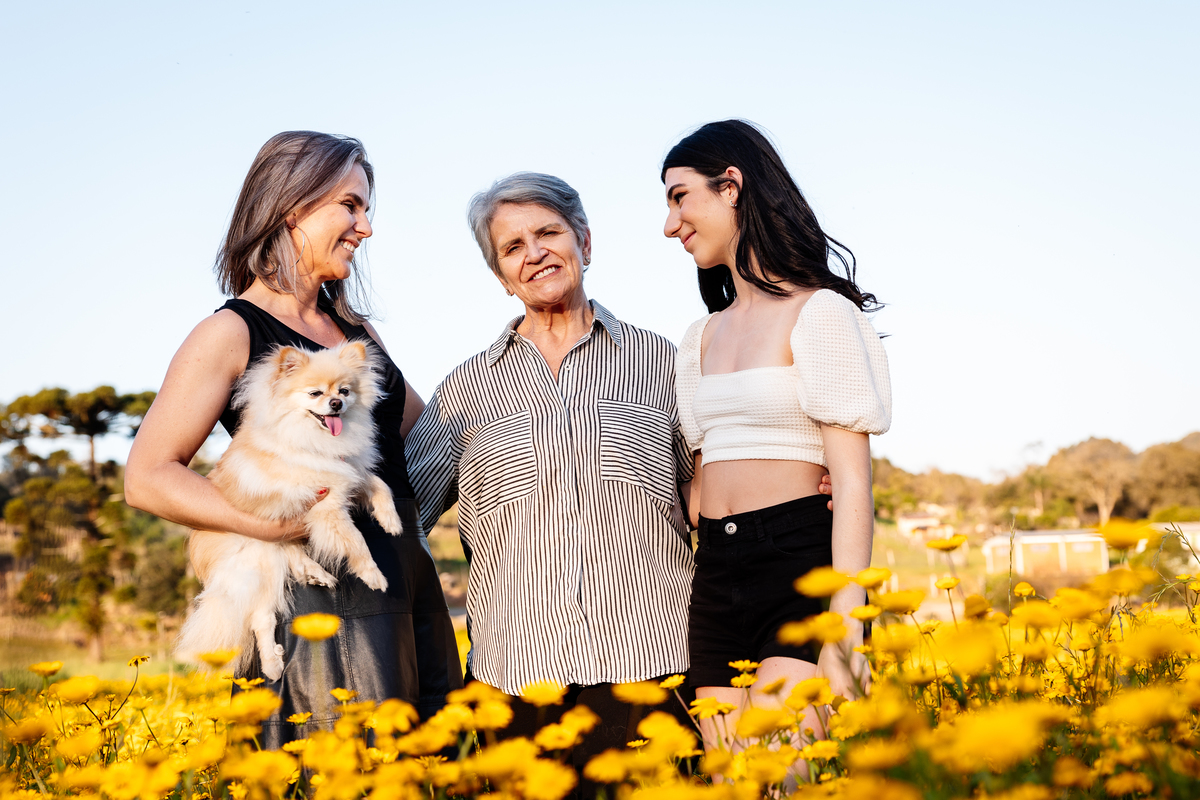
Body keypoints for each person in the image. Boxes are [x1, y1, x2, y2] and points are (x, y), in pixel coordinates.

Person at [125, 131, 462, 746]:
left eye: (367, 210)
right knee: (333, 764)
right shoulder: (228, 332)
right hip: (316, 597)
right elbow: (147, 476)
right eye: (350, 207)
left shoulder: (351, 332)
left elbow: (425, 431)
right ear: (293, 209)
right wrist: (273, 525)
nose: (365, 228)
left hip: (403, 576)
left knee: (426, 765)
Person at [403, 172, 698, 775]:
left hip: (652, 679)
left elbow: (719, 501)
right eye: (513, 247)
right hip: (513, 690)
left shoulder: (670, 362)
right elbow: (398, 520)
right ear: (501, 278)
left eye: (548, 232)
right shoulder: (465, 388)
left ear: (584, 242)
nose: (534, 253)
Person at [662, 120, 891, 749]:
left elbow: (851, 485)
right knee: (730, 778)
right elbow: (703, 477)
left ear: (730, 185)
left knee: (783, 774)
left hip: (798, 562)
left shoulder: (820, 314)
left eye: (680, 197)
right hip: (714, 573)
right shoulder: (697, 337)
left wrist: (849, 633)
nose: (670, 223)